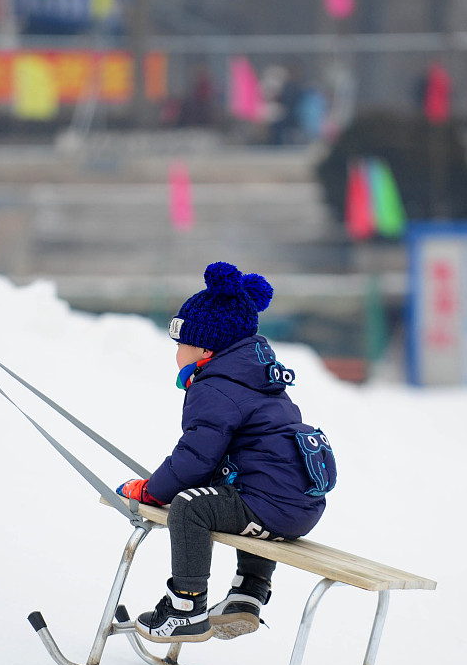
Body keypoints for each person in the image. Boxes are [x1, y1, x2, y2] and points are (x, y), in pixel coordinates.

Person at [116, 262, 337, 642]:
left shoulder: (214, 387)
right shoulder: (258, 379)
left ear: (205, 348)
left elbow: (196, 456)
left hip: (268, 505)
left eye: (180, 345)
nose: (176, 354)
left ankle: (185, 607)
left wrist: (152, 491)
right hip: (301, 509)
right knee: (243, 490)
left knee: (190, 507)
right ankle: (248, 593)